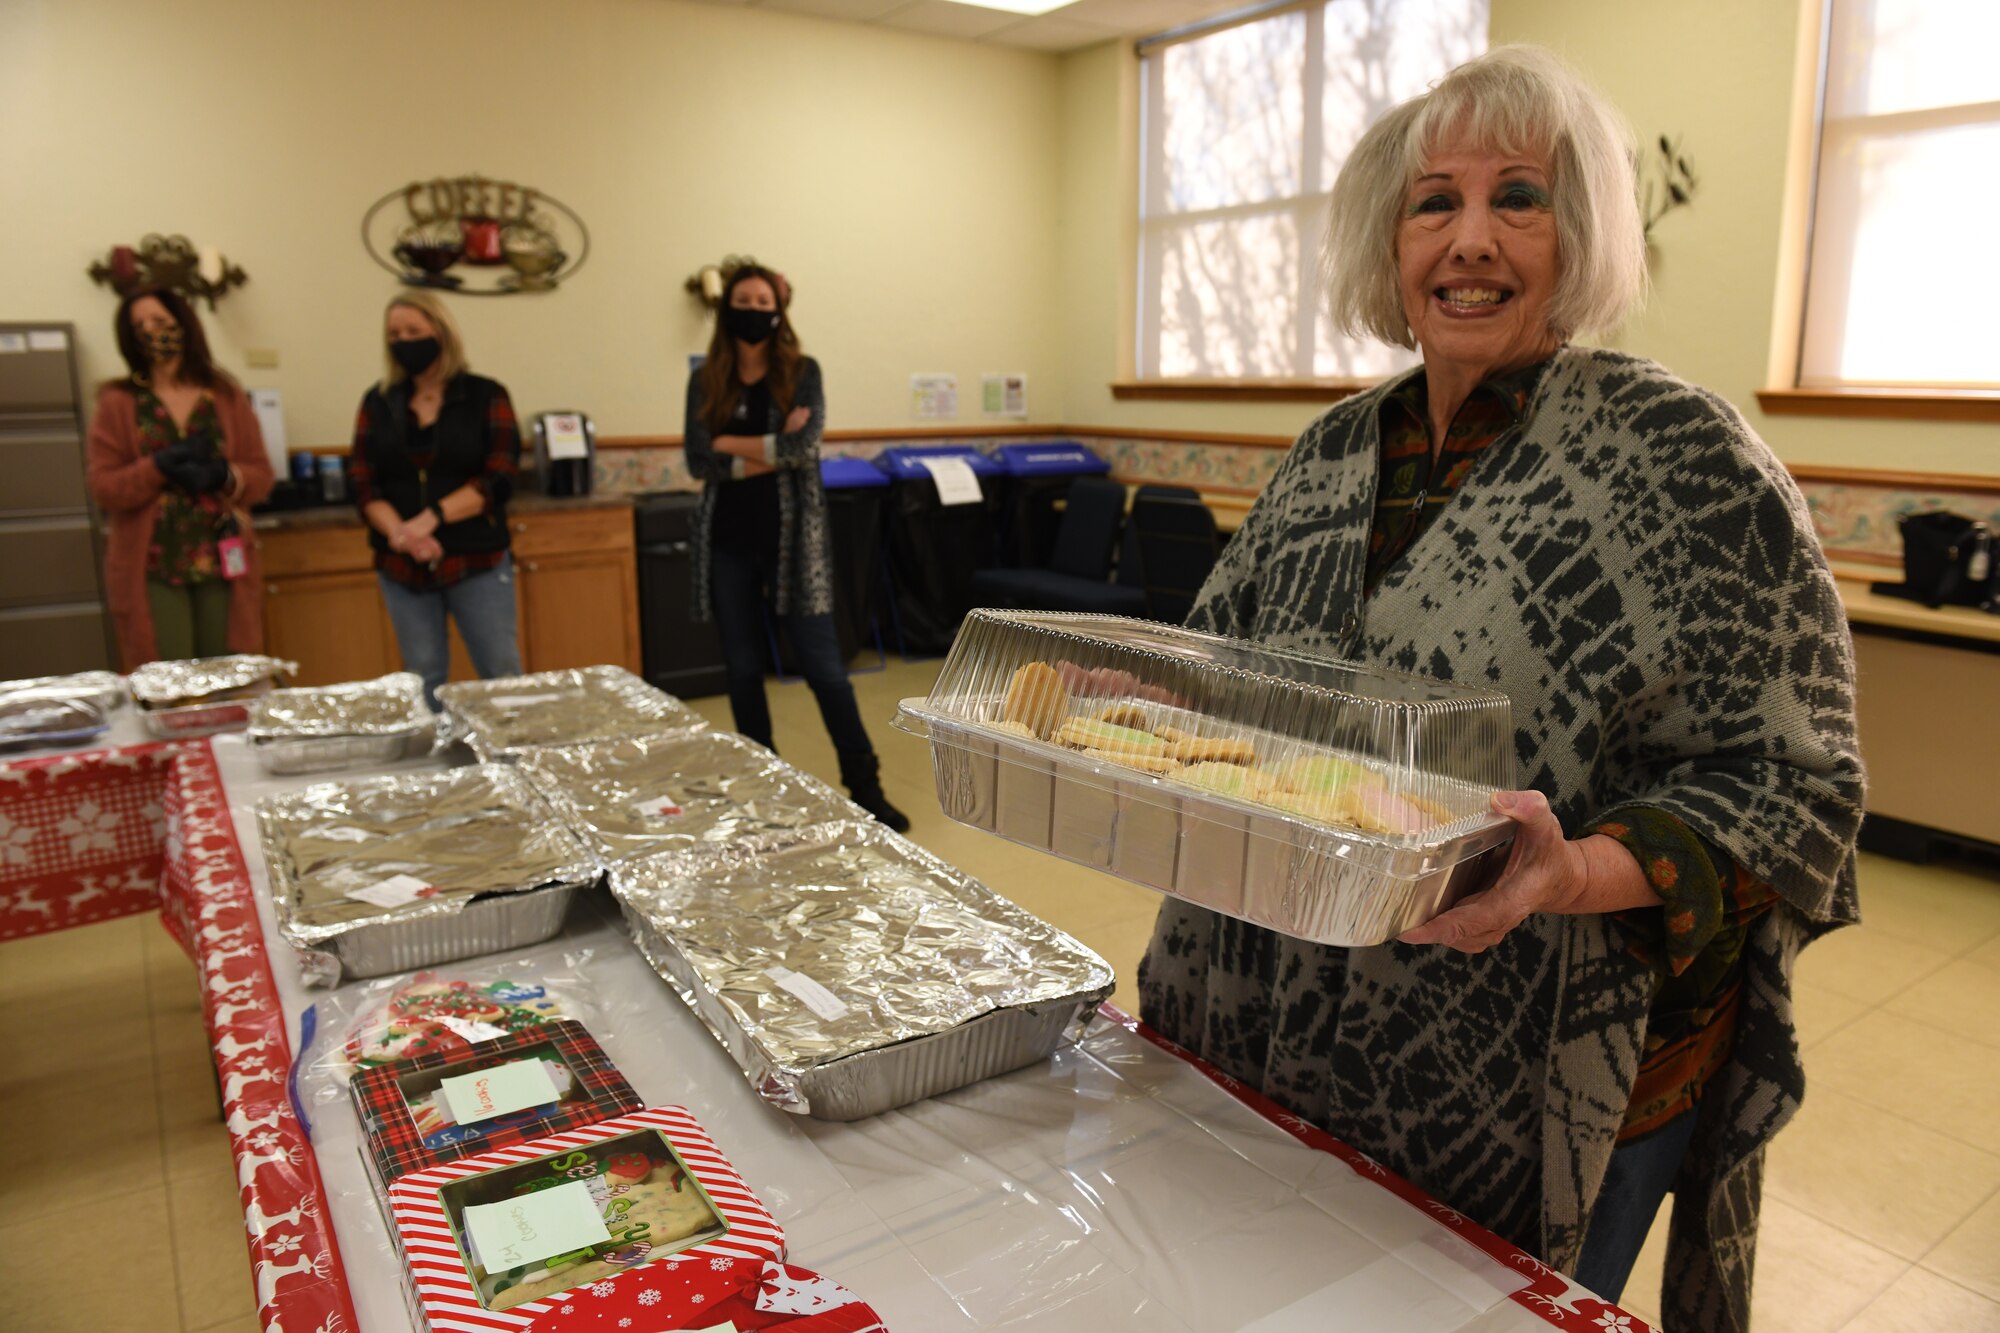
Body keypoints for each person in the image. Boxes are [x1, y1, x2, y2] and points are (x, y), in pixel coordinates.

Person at [1136, 46, 1863, 1332]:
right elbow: (1225, 677)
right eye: (1434, 203)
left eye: (1516, 197)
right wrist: (1139, 702)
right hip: (1285, 1036)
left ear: (1575, 233)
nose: (1469, 240)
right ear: (1390, 239)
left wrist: (1572, 870)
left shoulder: (1685, 462)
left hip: (1550, 1073)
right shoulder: (1327, 455)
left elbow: (1795, 787)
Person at [683, 266, 909, 832]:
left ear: (779, 310)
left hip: (794, 546)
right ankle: (761, 786)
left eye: (763, 299)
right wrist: (769, 446)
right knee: (741, 671)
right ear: (726, 309)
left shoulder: (802, 372)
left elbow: (803, 446)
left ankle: (866, 787)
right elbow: (696, 459)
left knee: (825, 670)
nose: (753, 307)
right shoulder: (705, 378)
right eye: (743, 299)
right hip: (727, 544)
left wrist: (730, 443)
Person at [348, 290, 523, 709]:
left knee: (500, 671)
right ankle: (436, 766)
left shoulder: (486, 396)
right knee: (423, 675)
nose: (403, 340)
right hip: (402, 563)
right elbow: (363, 481)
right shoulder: (378, 402)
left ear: (441, 334)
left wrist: (431, 519)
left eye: (414, 331)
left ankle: (514, 764)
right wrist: (403, 535)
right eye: (394, 334)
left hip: (475, 560)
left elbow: (499, 477)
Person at [86, 288, 275, 667]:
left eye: (159, 321)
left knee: (229, 673)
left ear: (183, 324)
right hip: (152, 564)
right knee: (169, 678)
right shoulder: (119, 402)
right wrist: (156, 468)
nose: (151, 331)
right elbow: (104, 487)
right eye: (139, 325)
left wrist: (223, 474)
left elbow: (261, 475)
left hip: (222, 559)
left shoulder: (224, 396)